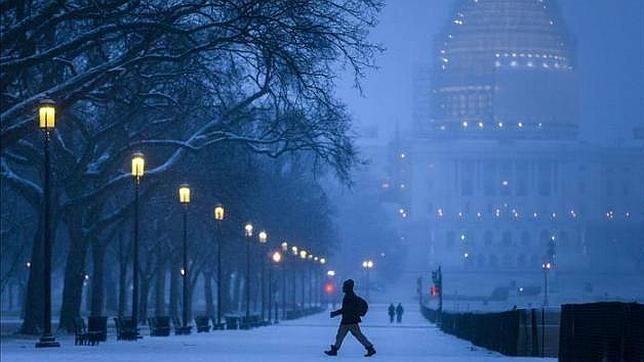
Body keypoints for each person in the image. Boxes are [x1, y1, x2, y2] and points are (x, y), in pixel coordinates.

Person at [324, 279, 376, 357]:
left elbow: (345, 309)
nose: (342, 288)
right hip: (348, 320)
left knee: (357, 335)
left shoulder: (349, 296)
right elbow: (346, 309)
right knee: (340, 335)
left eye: (344, 286)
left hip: (350, 321)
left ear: (348, 287)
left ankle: (370, 348)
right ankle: (334, 349)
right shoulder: (350, 295)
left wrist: (335, 313)